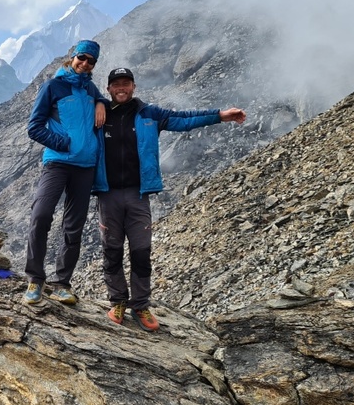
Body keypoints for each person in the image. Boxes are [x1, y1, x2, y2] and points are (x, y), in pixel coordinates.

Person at [96, 67, 246, 331]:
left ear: (133, 87)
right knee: (112, 250)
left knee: (141, 251)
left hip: (138, 194)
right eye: (116, 84)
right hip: (108, 196)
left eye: (126, 83)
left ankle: (140, 305)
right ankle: (118, 300)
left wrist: (220, 116)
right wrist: (97, 102)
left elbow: (183, 119)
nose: (121, 88)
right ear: (108, 89)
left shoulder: (150, 114)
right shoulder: (100, 114)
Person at [24, 40, 108, 306]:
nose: (85, 64)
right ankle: (35, 279)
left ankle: (61, 283)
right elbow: (34, 127)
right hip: (58, 162)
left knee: (74, 226)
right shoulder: (53, 86)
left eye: (91, 61)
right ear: (72, 57)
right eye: (81, 58)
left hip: (85, 167)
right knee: (41, 215)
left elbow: (101, 98)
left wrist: (101, 102)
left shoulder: (90, 89)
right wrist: (64, 144)